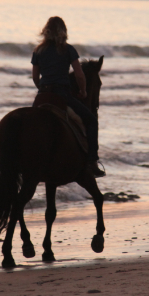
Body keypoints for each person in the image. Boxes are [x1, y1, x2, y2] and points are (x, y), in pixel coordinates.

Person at [31, 16, 105, 178]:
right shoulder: (68, 50)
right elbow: (79, 75)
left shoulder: (38, 50)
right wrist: (84, 91)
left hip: (42, 95)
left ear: (45, 31)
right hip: (62, 95)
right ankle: (92, 161)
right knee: (91, 120)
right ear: (63, 32)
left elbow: (36, 77)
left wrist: (43, 89)